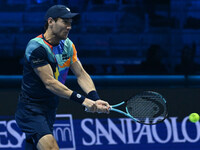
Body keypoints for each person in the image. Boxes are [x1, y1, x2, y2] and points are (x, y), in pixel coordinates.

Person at [15, 5, 110, 150]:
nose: (69, 27)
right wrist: (84, 101)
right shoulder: (36, 47)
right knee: (51, 147)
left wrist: (95, 97)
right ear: (51, 21)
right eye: (65, 22)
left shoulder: (68, 45)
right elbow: (50, 83)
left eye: (70, 23)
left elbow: (81, 74)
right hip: (31, 108)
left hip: (50, 107)